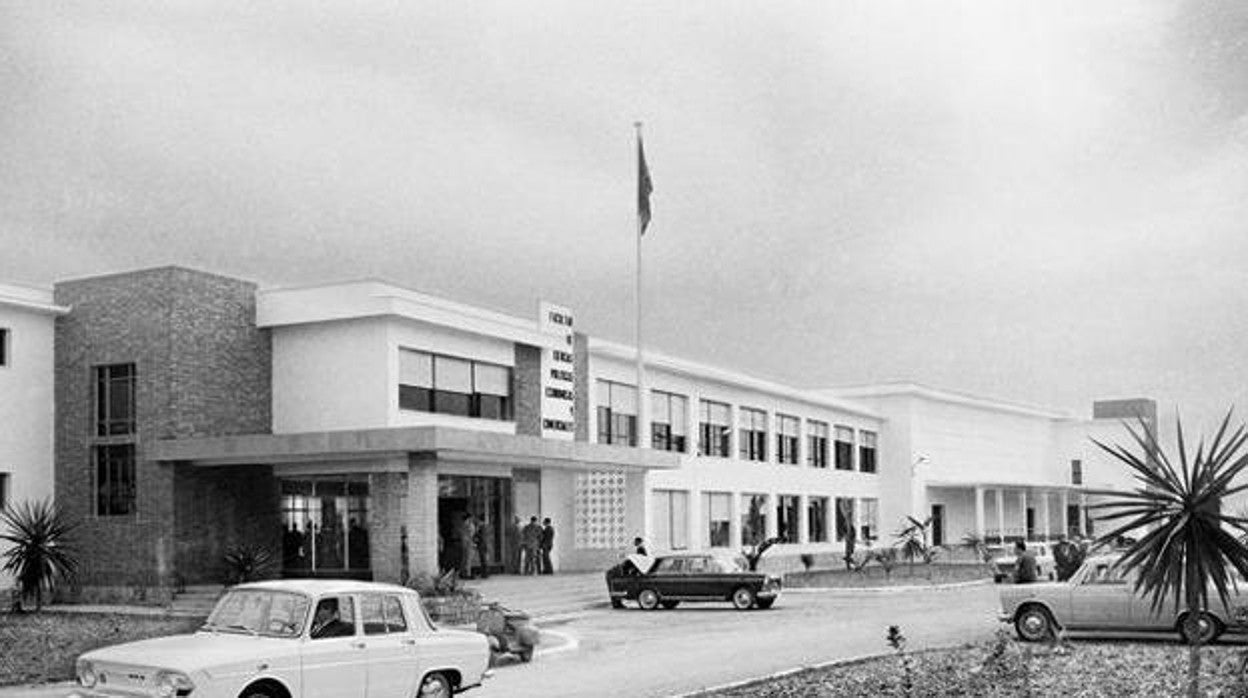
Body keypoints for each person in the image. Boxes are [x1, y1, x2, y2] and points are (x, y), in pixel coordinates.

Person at [459, 512, 477, 579]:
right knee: (468, 559)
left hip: (466, 543)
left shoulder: (464, 525)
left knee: (465, 559)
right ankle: (467, 574)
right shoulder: (468, 525)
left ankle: (463, 573)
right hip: (468, 543)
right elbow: (471, 535)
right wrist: (473, 543)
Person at [473, 515, 490, 579]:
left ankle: (485, 574)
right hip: (483, 544)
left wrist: (476, 539)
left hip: (482, 545)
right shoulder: (483, 527)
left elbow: (481, 536)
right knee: (483, 559)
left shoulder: (482, 527)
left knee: (483, 559)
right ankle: (484, 573)